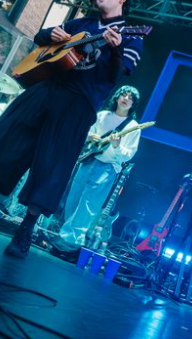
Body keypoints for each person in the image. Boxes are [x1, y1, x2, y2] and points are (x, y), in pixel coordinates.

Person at [0, 0, 144, 257]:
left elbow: (117, 75)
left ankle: (26, 229)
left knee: (51, 167)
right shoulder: (82, 23)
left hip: (78, 106)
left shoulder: (132, 37)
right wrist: (50, 35)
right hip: (46, 89)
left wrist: (115, 49)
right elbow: (41, 38)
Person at [45, 85, 142, 247]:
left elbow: (128, 155)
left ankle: (71, 240)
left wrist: (117, 146)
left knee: (89, 204)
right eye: (124, 95)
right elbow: (84, 133)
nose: (126, 99)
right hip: (88, 160)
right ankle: (67, 236)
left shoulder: (133, 127)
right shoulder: (103, 115)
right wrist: (91, 136)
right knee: (73, 198)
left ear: (133, 104)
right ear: (117, 97)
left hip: (108, 167)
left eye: (130, 98)